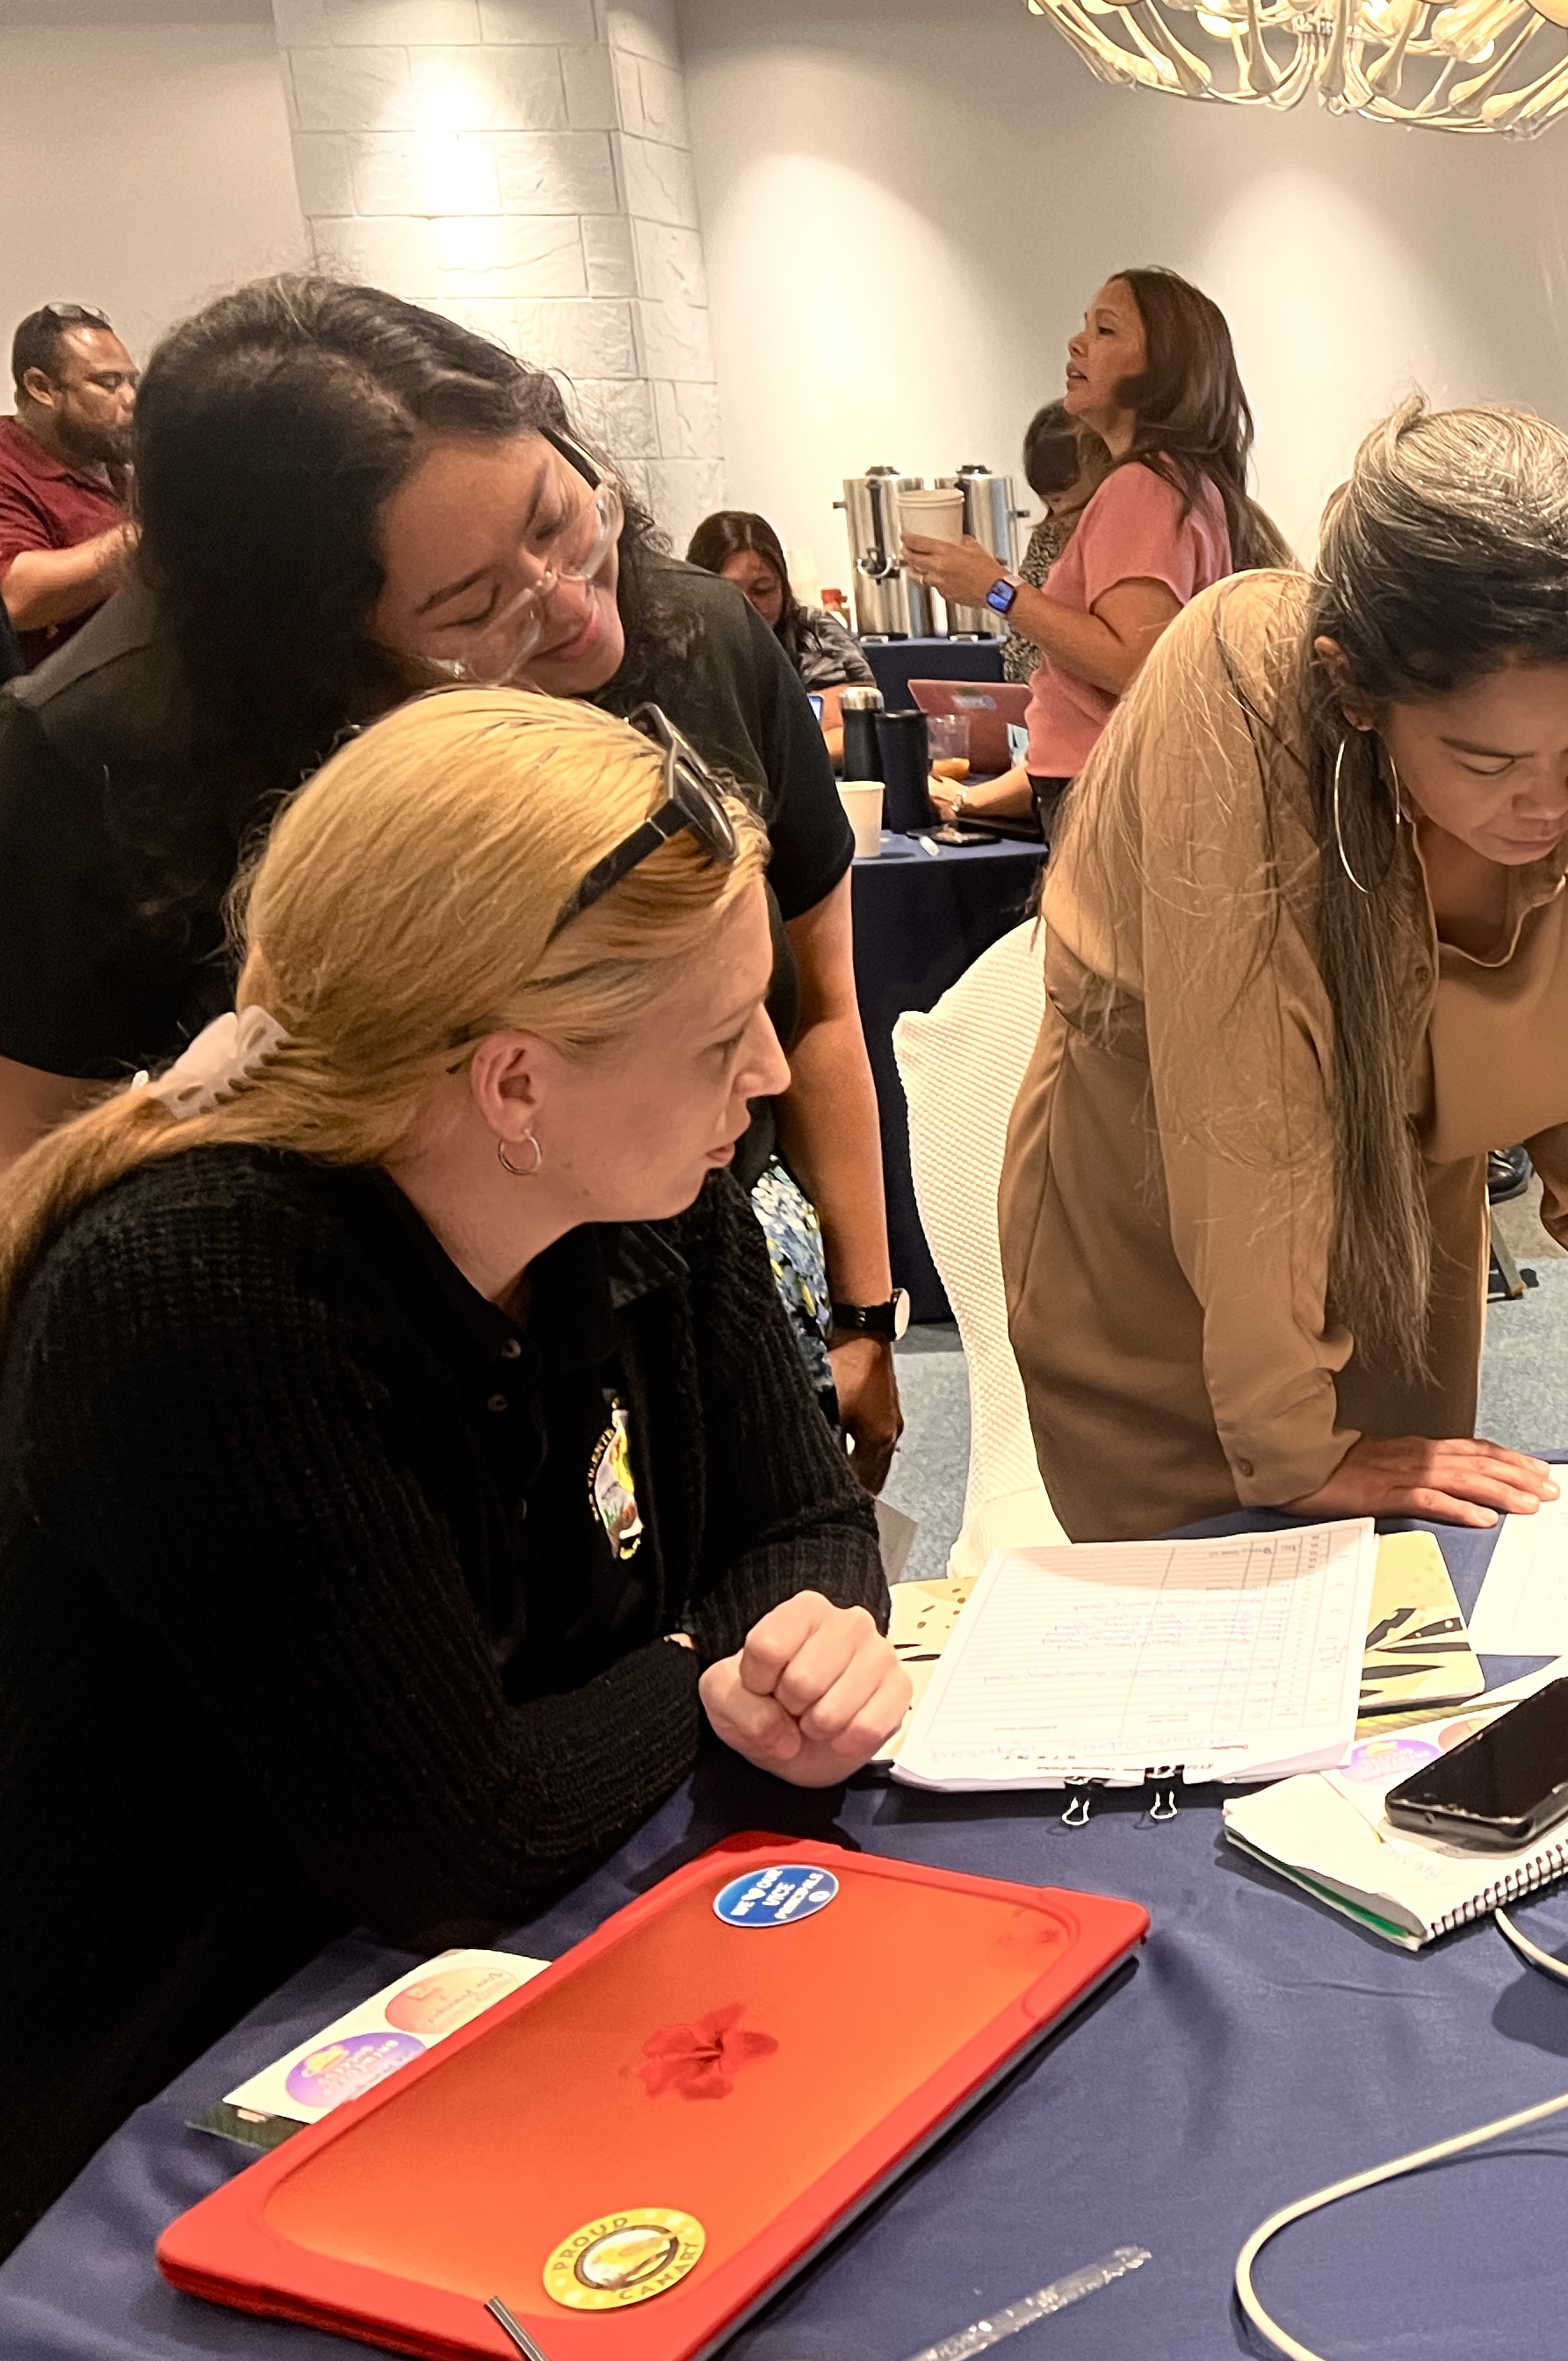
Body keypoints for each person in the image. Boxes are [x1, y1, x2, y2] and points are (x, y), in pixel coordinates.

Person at [0, 691, 907, 2253]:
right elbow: (458, 1836)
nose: (767, 1067)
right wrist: (712, 1660)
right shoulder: (204, 1297)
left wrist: (791, 1633)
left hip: (478, 1967)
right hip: (171, 2095)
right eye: (719, 1035)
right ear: (513, 1087)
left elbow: (809, 1520)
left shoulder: (646, 1177)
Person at [0, 277, 908, 1491]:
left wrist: (865, 1310)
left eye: (557, 516)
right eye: (475, 607)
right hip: (345, 1389)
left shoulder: (698, 638)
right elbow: (46, 1170)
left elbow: (819, 1007)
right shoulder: (98, 757)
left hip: (692, 1292)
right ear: (323, 652)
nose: (576, 610)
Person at [1001, 401, 1568, 1542]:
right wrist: (1291, 1444)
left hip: (1393, 1303)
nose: (1549, 799)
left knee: (1407, 1648)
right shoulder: (1241, 693)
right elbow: (1246, 1130)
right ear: (1354, 692)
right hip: (1162, 1304)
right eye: (1485, 760)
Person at [903, 266, 1287, 842]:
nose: (1076, 342)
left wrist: (995, 588)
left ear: (1161, 370)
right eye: (1085, 326)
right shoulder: (1187, 483)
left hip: (1106, 784)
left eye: (1105, 331)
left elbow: (1130, 663)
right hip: (1136, 780)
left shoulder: (1141, 488)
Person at [0, 303, 140, 669]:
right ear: (41, 387)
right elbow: (17, 598)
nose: (131, 399)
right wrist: (152, 531)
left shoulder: (108, 457)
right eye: (108, 383)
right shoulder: (8, 464)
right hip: (59, 708)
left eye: (131, 381)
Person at [687, 505, 875, 693]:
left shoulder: (818, 639)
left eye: (762, 590)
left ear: (783, 587)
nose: (747, 607)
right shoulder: (675, 644)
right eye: (728, 593)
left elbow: (843, 715)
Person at [997, 396, 1087, 690]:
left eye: (1062, 497)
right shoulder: (1047, 538)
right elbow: (1017, 654)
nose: (1057, 513)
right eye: (1048, 501)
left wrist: (990, 587)